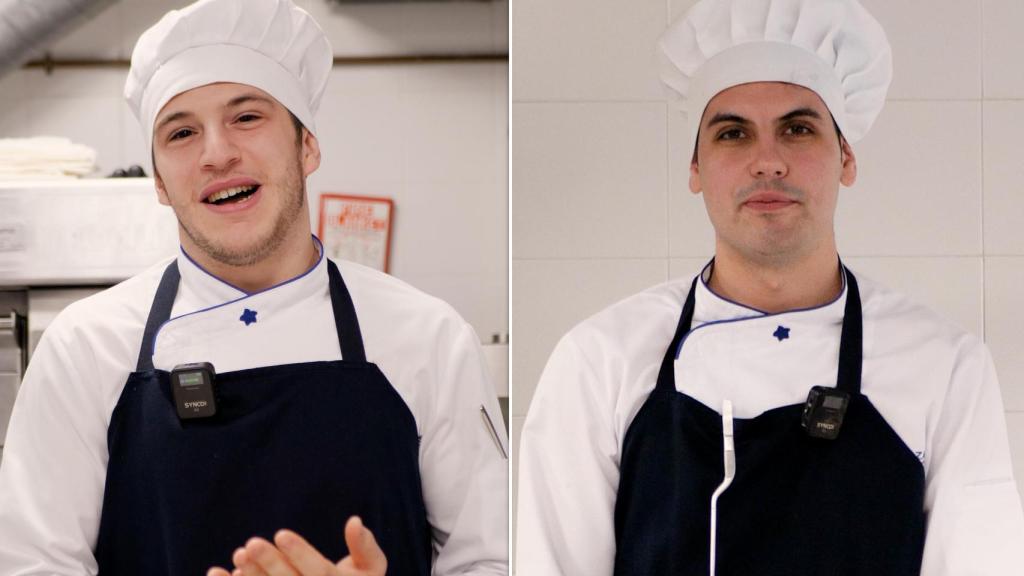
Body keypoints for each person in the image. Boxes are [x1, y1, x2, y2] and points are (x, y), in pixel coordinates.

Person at [516, 0, 1024, 574]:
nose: (768, 161)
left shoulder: (944, 365)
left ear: (846, 158)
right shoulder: (600, 359)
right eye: (733, 133)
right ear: (695, 168)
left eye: (798, 129)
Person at [0, 0, 508, 575]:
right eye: (182, 132)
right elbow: (33, 565)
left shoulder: (427, 338)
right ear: (161, 183)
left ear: (307, 146)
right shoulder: (86, 349)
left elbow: (492, 558)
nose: (217, 153)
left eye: (247, 117)